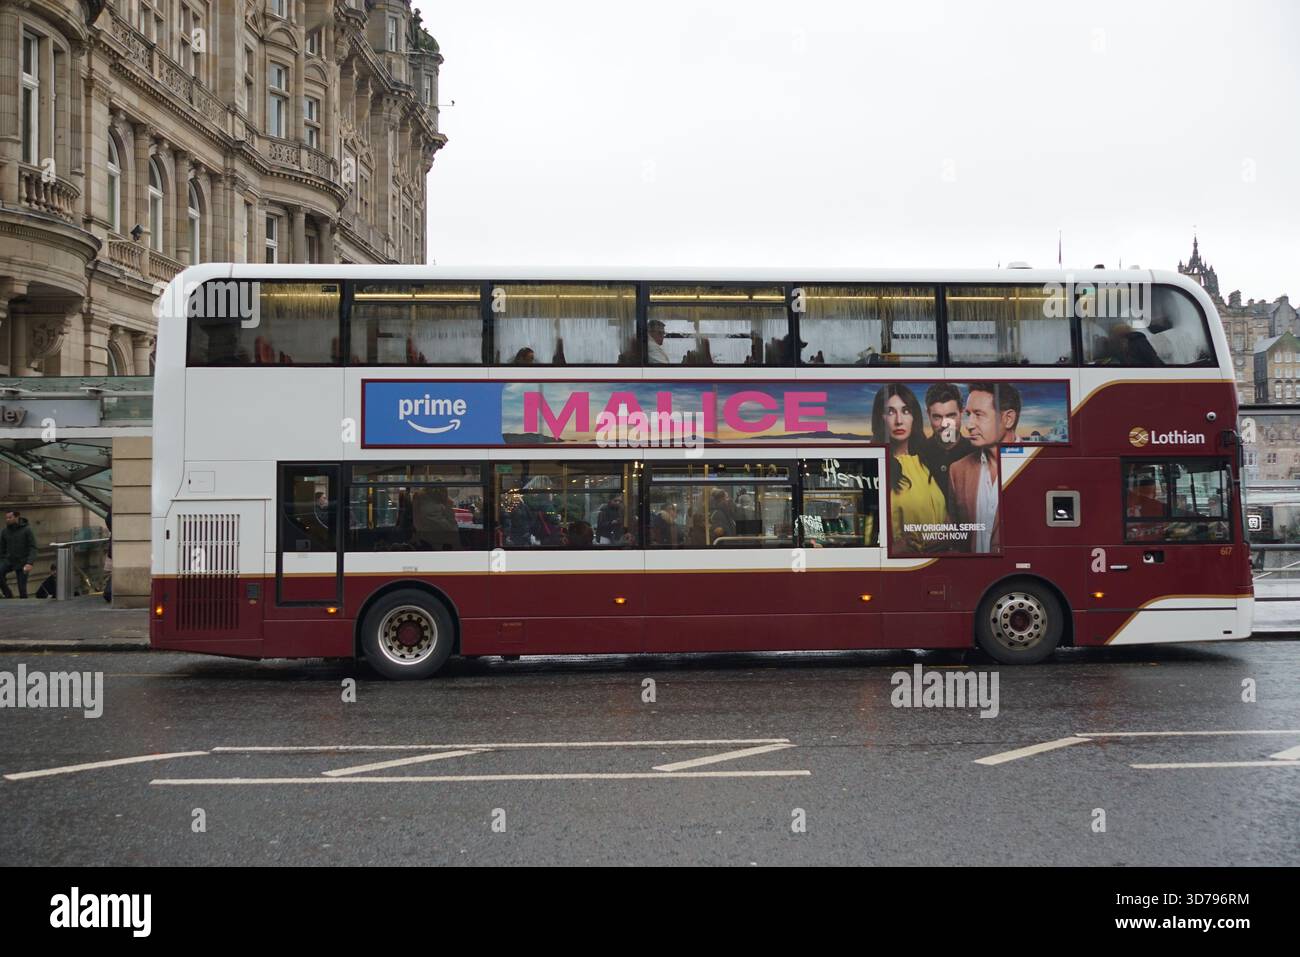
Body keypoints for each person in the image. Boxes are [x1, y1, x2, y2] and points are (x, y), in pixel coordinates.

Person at [872, 384, 949, 554]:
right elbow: (867, 531)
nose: (899, 420)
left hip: (939, 561)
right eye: (890, 412)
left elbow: (947, 512)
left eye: (906, 411)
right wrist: (893, 549)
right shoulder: (877, 465)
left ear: (914, 417)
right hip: (901, 567)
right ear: (880, 418)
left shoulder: (928, 460)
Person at [949, 382, 1009, 553]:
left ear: (1007, 419)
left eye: (979, 414)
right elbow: (954, 536)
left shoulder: (1033, 466)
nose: (969, 425)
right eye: (968, 414)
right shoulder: (957, 471)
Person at [920, 382, 973, 510]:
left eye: (951, 415)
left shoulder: (977, 452)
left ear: (961, 412)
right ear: (928, 415)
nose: (945, 424)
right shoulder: (917, 453)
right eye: (937, 417)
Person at [0, 509, 38, 598]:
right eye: (6, 518)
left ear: (17, 517)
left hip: (23, 562)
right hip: (9, 561)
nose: (7, 520)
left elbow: (33, 547)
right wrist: (2, 561)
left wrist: (29, 562)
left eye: (10, 517)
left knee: (22, 589)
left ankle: (24, 608)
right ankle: (8, 594)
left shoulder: (27, 530)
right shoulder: (5, 532)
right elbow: (2, 549)